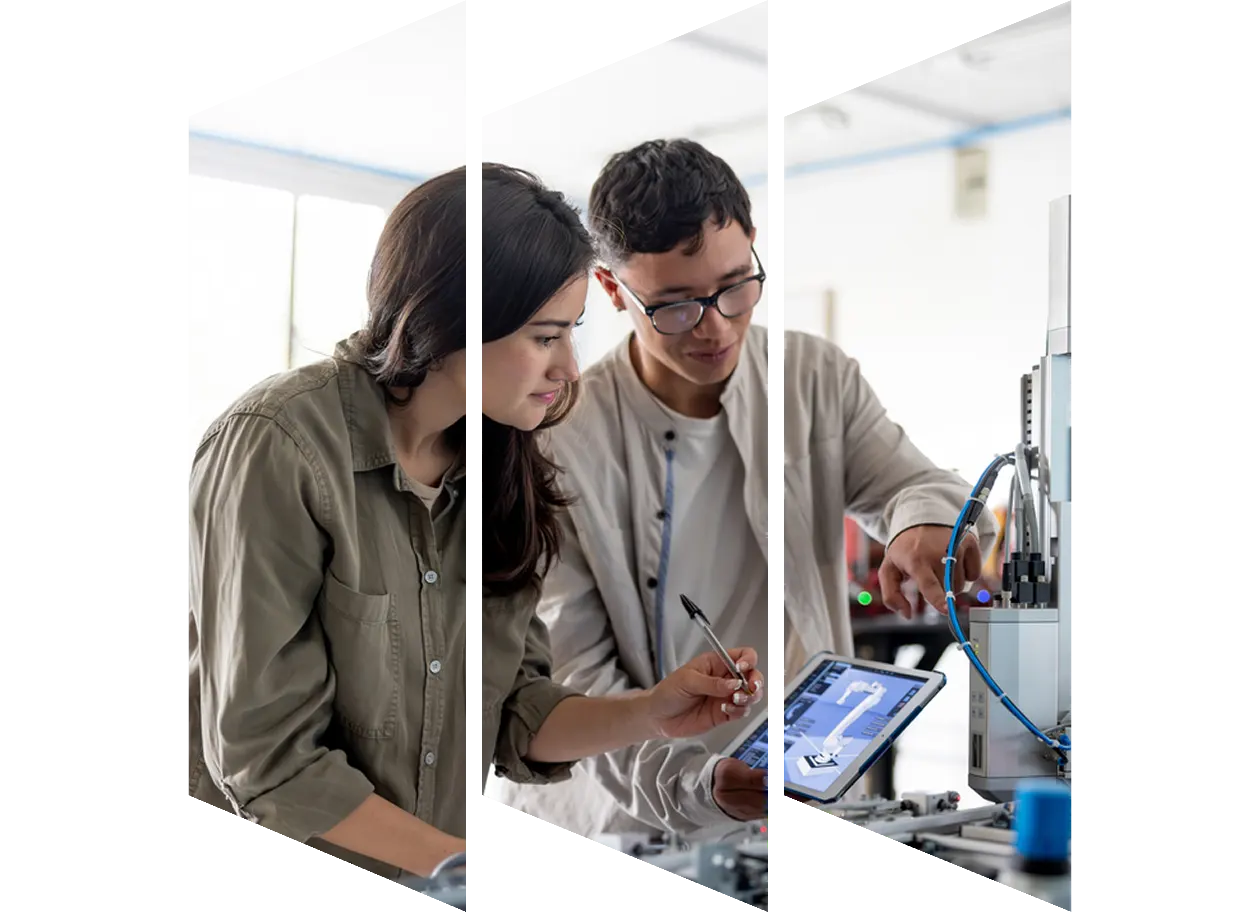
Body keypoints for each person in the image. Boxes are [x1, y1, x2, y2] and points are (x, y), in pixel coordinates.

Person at [184, 163, 765, 882]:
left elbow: (518, 711)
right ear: (452, 318)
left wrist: (653, 711)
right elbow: (267, 764)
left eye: (571, 333)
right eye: (545, 337)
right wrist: (481, 869)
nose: (569, 368)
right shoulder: (279, 445)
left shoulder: (499, 461)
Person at [486, 139, 998, 841]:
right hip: (626, 815)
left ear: (753, 245)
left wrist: (921, 526)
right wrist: (700, 792)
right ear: (611, 290)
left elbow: (914, 483)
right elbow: (574, 686)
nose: (715, 327)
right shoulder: (556, 439)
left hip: (803, 783)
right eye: (673, 307)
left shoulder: (812, 376)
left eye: (734, 287)